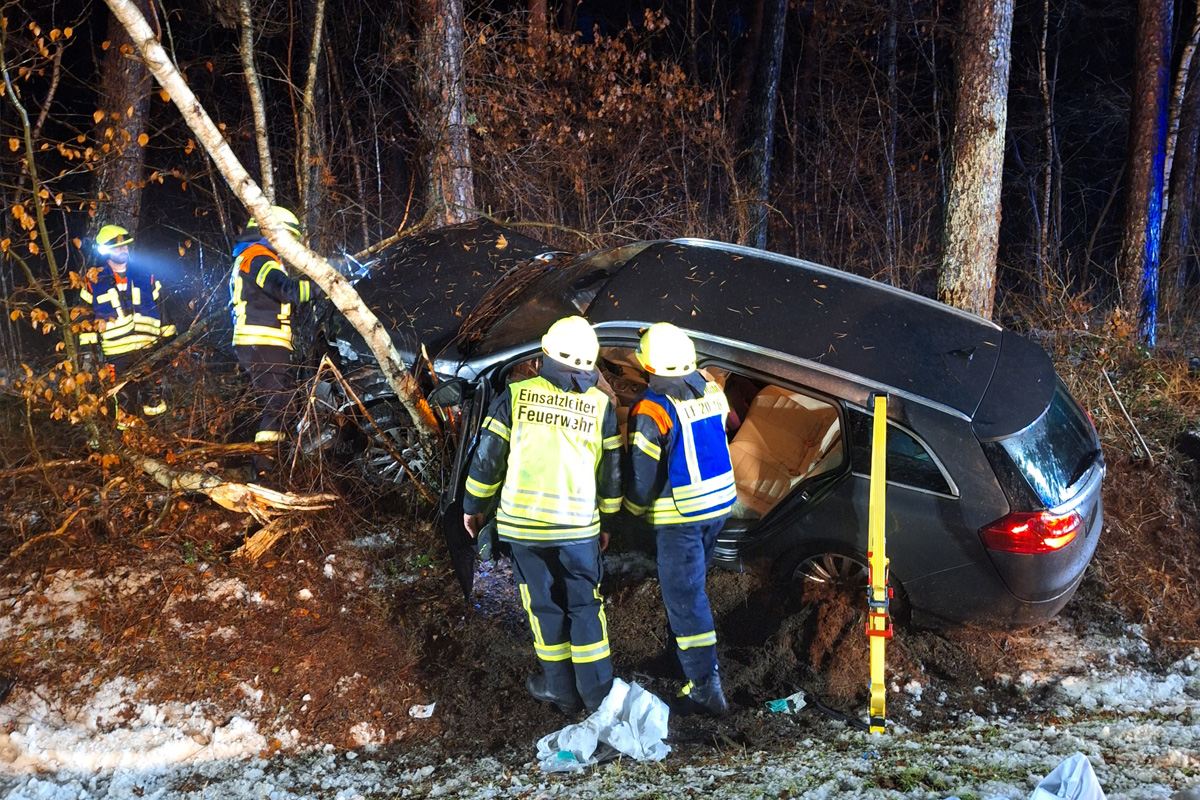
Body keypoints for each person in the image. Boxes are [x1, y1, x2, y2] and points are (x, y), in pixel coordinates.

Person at [462, 316, 623, 714]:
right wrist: (608, 519)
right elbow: (612, 471)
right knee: (585, 606)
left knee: (544, 606)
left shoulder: (516, 396)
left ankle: (561, 691)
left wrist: (473, 507)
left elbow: (487, 461)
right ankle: (597, 694)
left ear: (545, 355)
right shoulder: (601, 406)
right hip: (578, 529)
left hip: (524, 527)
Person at [623, 322, 736, 717]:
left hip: (681, 516)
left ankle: (706, 688)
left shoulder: (651, 408)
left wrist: (631, 515)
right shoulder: (711, 389)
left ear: (648, 364)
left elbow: (642, 476)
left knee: (685, 598)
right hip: (717, 507)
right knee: (689, 588)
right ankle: (682, 663)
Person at [228, 205, 318, 480]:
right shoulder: (258, 257)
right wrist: (324, 284)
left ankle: (255, 462)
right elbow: (287, 290)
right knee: (276, 403)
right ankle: (264, 471)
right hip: (262, 340)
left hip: (260, 341)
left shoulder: (252, 257)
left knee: (274, 402)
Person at [79, 224, 175, 427]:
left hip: (150, 350)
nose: (123, 250)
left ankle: (159, 444)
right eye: (117, 247)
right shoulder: (93, 282)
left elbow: (164, 311)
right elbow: (85, 326)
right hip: (117, 356)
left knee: (155, 401)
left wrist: (170, 346)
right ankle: (129, 449)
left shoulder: (145, 276)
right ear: (105, 250)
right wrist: (90, 359)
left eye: (126, 246)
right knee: (123, 404)